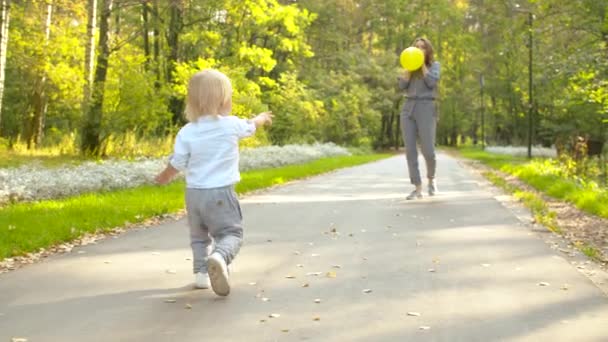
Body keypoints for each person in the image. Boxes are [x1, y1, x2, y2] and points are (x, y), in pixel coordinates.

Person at [155, 69, 273, 296]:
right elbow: (251, 126)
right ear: (224, 101)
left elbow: (178, 161)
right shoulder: (231, 125)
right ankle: (220, 257)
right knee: (231, 234)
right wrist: (261, 118)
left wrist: (165, 176)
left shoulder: (186, 132)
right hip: (221, 194)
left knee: (199, 236)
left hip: (194, 195)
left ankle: (201, 275)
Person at [398, 37, 440, 200]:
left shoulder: (434, 66)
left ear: (427, 51)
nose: (419, 50)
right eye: (416, 47)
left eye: (422, 48)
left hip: (426, 107)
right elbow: (401, 86)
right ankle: (417, 187)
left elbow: (431, 83)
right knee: (410, 150)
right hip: (408, 108)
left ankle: (431, 179)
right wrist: (409, 69)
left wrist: (421, 65)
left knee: (428, 150)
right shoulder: (409, 68)